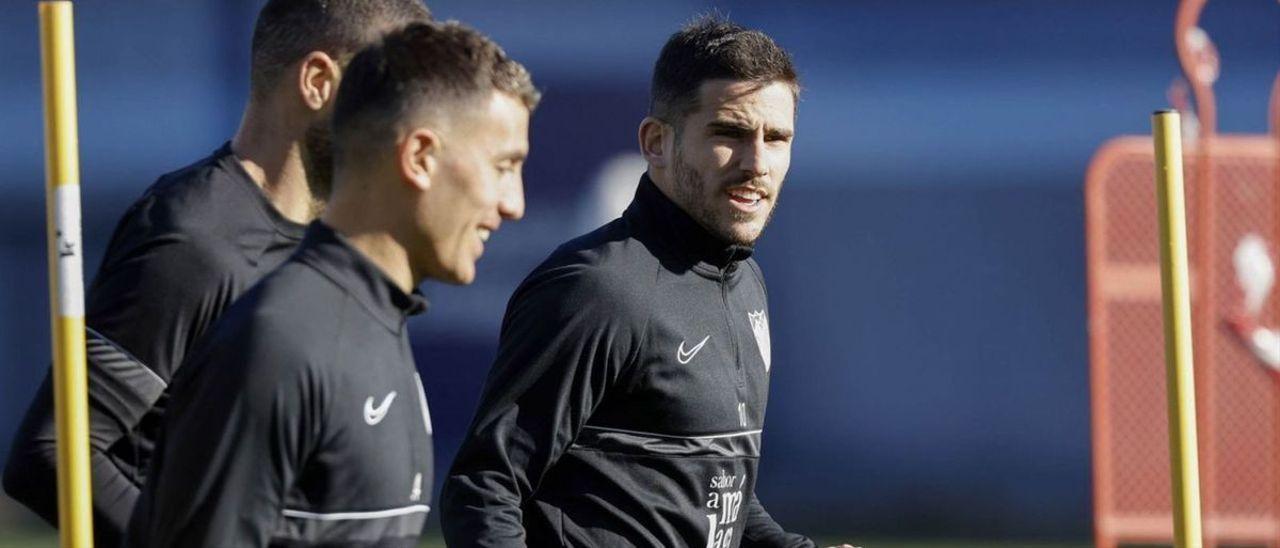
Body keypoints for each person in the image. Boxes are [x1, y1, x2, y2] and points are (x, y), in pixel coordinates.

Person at [2, 1, 431, 545]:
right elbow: (54, 453)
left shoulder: (345, 244)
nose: (414, 125)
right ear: (319, 81)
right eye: (393, 94)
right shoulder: (198, 237)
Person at [125, 20, 538, 547]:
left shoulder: (377, 321)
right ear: (419, 158)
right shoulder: (281, 341)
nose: (514, 203)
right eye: (503, 166)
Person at [442, 15, 844, 548]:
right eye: (729, 133)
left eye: (777, 138)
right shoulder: (597, 289)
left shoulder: (745, 282)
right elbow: (484, 489)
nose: (757, 163)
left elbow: (717, 497)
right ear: (656, 142)